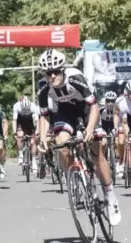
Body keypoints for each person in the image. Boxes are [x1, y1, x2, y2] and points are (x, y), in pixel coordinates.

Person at [37, 49, 121, 226]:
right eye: (48, 73)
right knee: (61, 142)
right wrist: (43, 138)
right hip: (64, 113)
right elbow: (44, 116)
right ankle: (73, 179)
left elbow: (94, 106)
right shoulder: (43, 88)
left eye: (55, 72)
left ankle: (111, 196)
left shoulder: (76, 78)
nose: (52, 76)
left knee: (98, 156)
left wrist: (90, 128)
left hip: (85, 110)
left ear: (63, 69)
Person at [12, 96, 39, 171]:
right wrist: (14, 132)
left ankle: (33, 160)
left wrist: (37, 132)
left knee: (33, 141)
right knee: (20, 135)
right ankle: (20, 155)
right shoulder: (16, 106)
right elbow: (14, 120)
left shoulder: (33, 106)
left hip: (30, 123)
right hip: (20, 122)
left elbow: (37, 121)